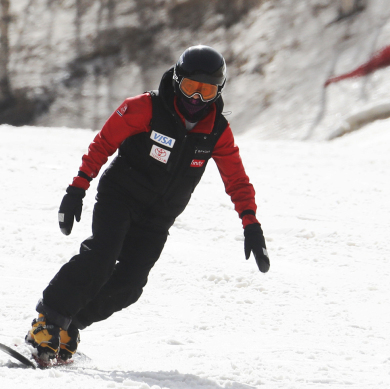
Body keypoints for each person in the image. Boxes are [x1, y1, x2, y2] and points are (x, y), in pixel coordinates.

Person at [27, 45, 270, 362]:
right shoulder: (145, 108)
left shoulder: (216, 132)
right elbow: (104, 143)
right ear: (177, 79)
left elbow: (236, 179)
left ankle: (69, 327)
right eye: (190, 87)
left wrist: (251, 224)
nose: (196, 99)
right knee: (101, 256)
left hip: (158, 218)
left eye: (206, 91)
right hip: (121, 197)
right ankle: (47, 323)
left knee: (130, 285)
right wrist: (78, 188)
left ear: (218, 91)